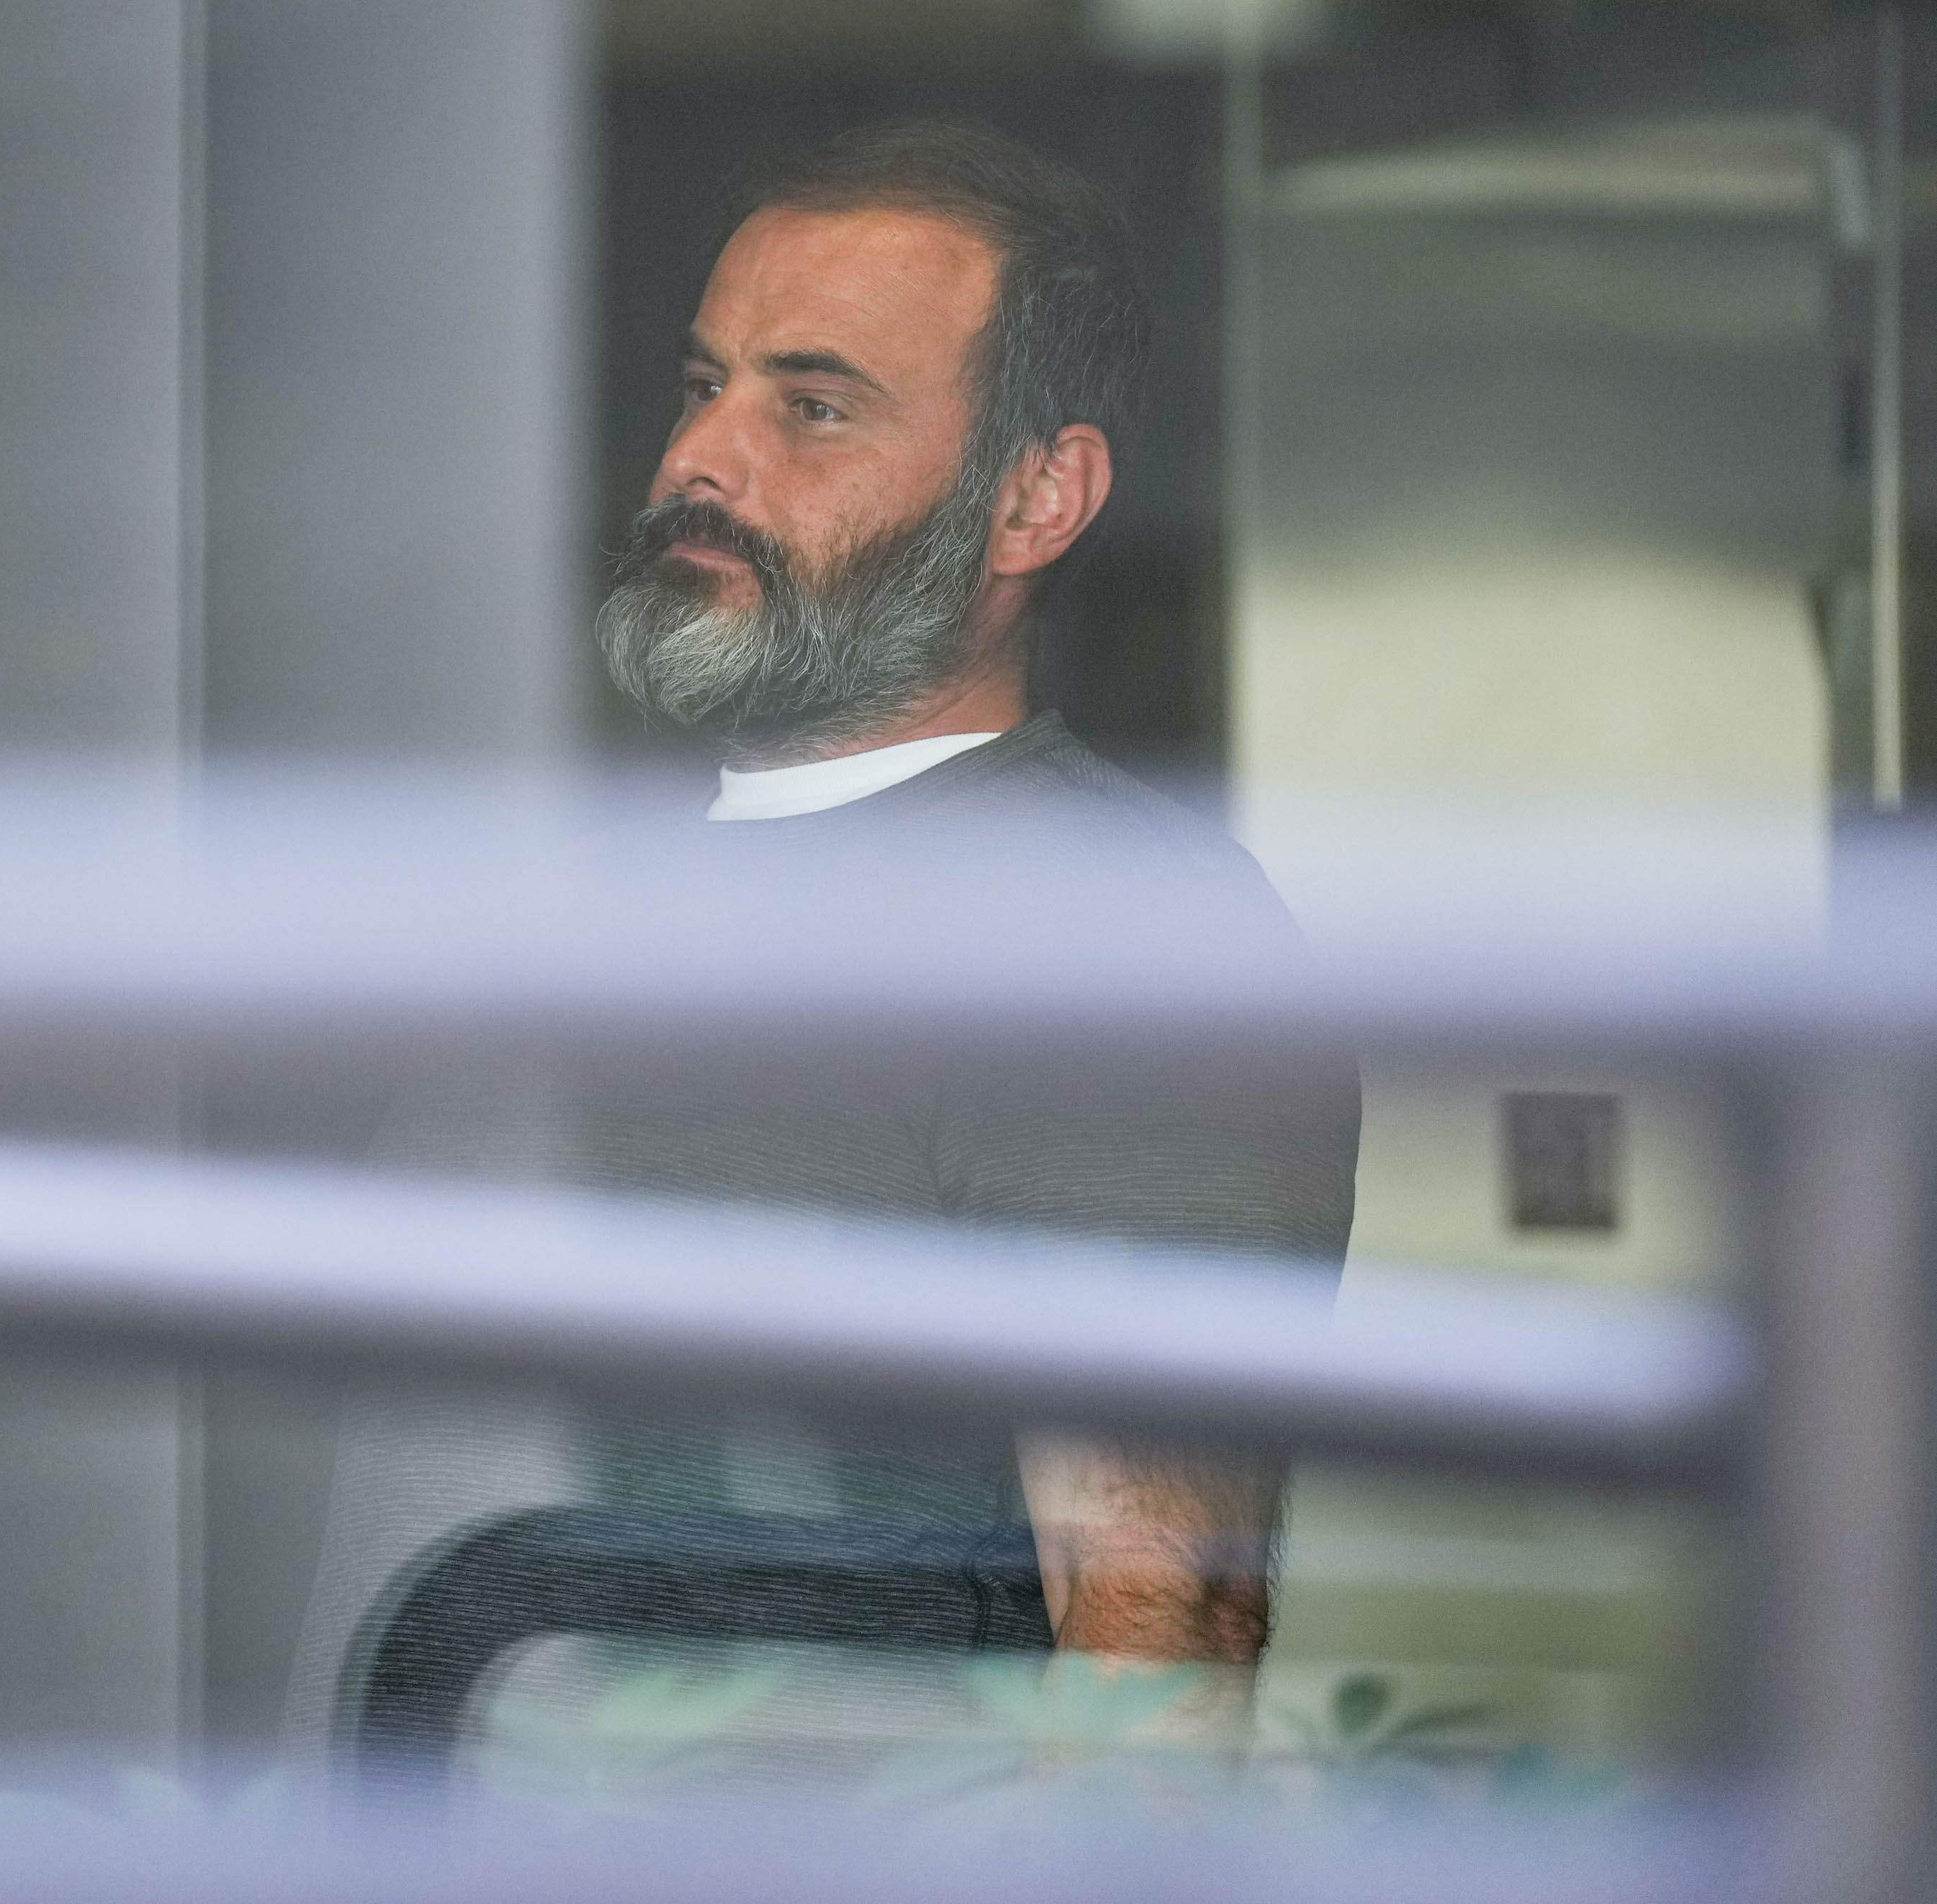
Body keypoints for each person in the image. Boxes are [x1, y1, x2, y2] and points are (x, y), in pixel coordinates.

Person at [292, 119, 1359, 1779]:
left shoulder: (1102, 931)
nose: (700, 460)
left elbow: (1157, 1640)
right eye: (701, 384)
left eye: (809, 405)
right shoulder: (597, 892)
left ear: (1035, 498)